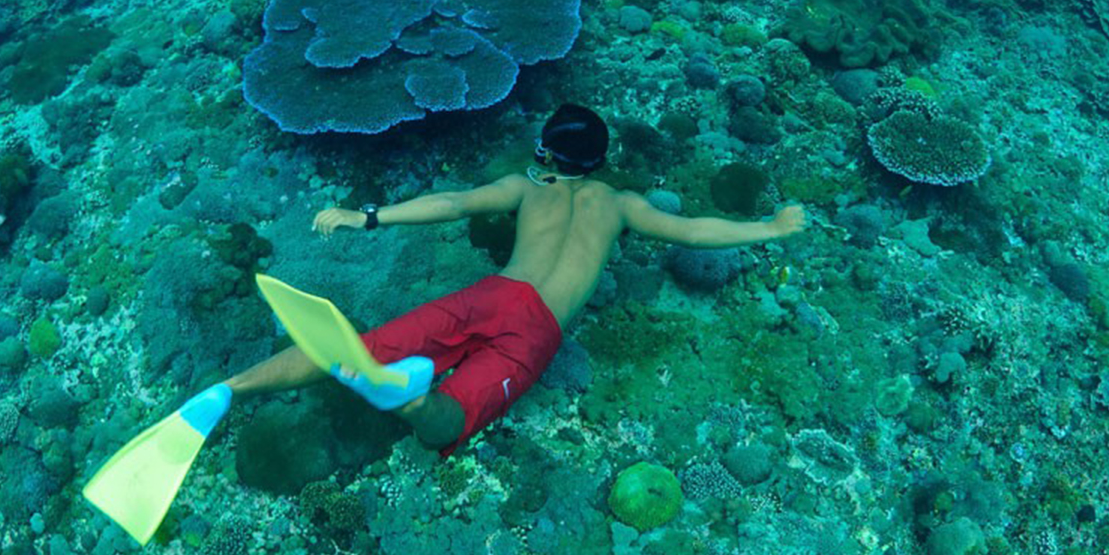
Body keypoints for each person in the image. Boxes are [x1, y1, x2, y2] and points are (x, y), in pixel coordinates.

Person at [221, 104, 806, 457]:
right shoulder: (622, 203)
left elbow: (452, 203)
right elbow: (695, 231)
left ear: (546, 154)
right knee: (447, 421)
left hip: (493, 294)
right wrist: (771, 228)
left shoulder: (526, 187)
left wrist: (368, 216)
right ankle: (410, 400)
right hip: (539, 330)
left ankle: (232, 388)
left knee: (349, 349)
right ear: (597, 163)